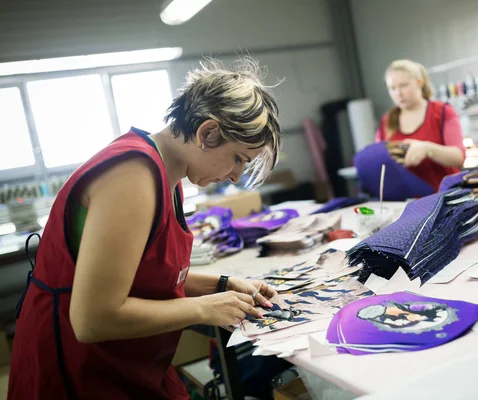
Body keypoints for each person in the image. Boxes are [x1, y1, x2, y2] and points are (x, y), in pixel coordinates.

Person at [8, 57, 283, 400]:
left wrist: (222, 284)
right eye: (239, 158)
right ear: (208, 132)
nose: (235, 176)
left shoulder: (170, 176)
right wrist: (205, 308)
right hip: (80, 372)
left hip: (125, 360)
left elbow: (146, 275)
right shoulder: (134, 176)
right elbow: (92, 319)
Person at [376, 59, 466, 190]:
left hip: (444, 198)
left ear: (419, 82)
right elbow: (379, 160)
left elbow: (459, 157)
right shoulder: (387, 120)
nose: (398, 93)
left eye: (403, 85)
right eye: (392, 88)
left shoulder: (442, 112)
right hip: (405, 202)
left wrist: (427, 149)